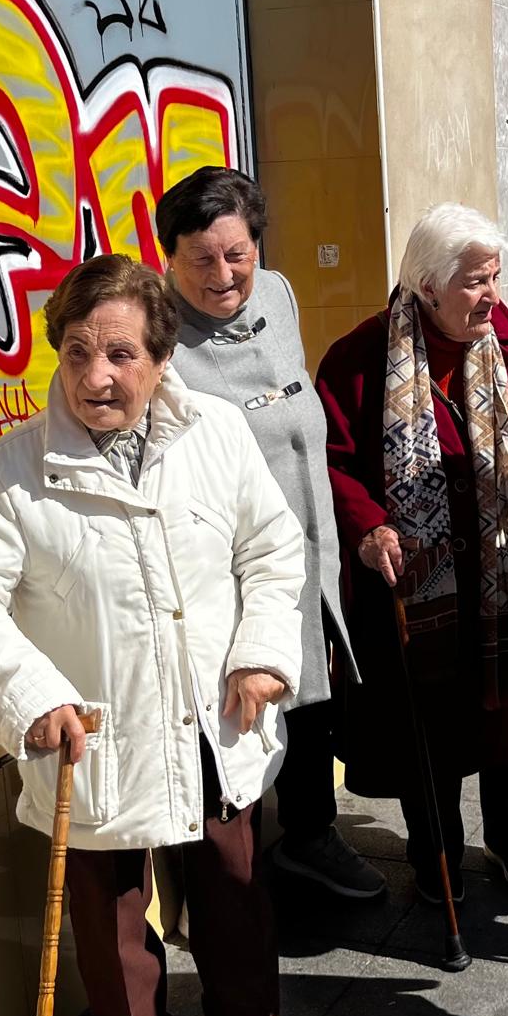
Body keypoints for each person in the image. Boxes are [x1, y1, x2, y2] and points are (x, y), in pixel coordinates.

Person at [0, 255, 306, 1016]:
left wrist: (259, 656)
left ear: (161, 359)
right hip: (94, 736)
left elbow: (272, 553)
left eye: (123, 353)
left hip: (216, 725)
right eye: (80, 352)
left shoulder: (213, 433)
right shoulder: (12, 474)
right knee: (115, 931)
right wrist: (33, 696)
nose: (99, 376)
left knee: (235, 909)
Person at [316, 204, 508, 899]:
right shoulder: (360, 357)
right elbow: (333, 462)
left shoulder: (506, 340)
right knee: (423, 718)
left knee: (505, 700)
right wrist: (369, 526)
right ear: (427, 285)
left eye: (494, 277)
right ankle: (434, 852)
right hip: (413, 573)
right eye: (473, 281)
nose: (490, 294)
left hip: (494, 565)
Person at [155, 165, 385, 901]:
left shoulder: (279, 295)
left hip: (308, 544)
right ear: (168, 257)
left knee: (311, 699)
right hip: (229, 567)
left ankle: (310, 838)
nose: (222, 276)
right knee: (248, 712)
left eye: (237, 254)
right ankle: (238, 868)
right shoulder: (157, 336)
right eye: (201, 259)